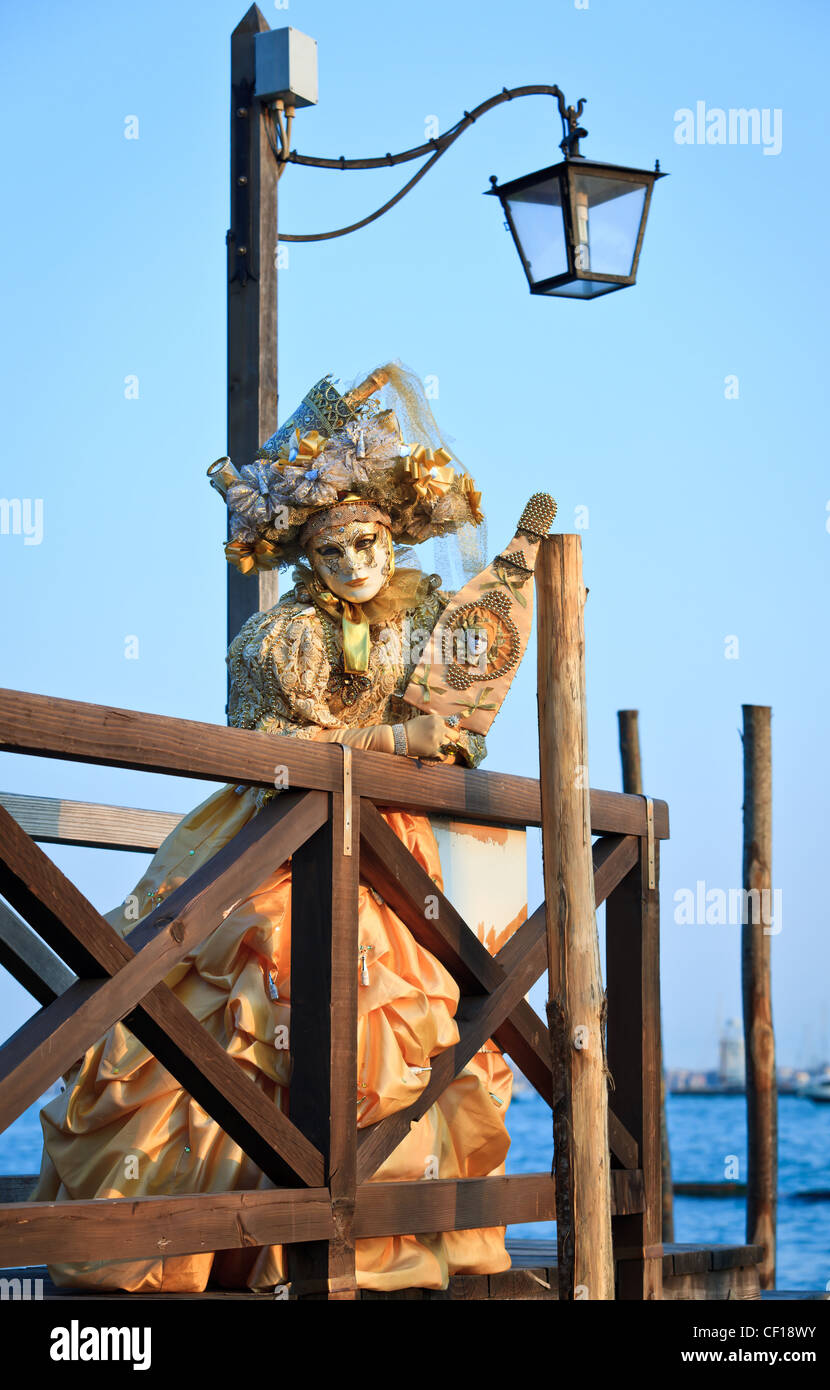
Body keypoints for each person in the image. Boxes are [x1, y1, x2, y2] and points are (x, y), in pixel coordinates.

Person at [31, 362, 519, 1294]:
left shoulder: (420, 620)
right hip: (279, 835)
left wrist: (443, 737)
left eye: (368, 545)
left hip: (389, 844)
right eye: (332, 553)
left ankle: (374, 1232)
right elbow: (270, 743)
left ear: (390, 537)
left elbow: (458, 695)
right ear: (307, 560)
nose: (354, 566)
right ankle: (230, 1235)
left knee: (413, 1014)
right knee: (249, 976)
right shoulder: (282, 636)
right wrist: (391, 736)